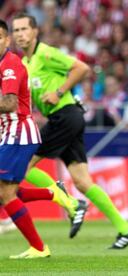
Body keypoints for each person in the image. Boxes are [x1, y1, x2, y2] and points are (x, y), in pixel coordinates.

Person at [12, 13, 128, 249]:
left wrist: (58, 92)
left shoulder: (46, 53)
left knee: (24, 163)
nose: (20, 35)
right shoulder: (26, 63)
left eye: (24, 29)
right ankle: (126, 229)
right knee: (82, 181)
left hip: (66, 115)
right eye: (16, 30)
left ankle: (70, 203)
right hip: (64, 118)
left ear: (35, 31)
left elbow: (82, 68)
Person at [0, 19, 50, 258]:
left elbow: (9, 104)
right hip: (8, 134)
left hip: (18, 132)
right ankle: (53, 193)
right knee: (7, 192)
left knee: (5, 193)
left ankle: (39, 248)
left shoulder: (10, 64)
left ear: (6, 40)